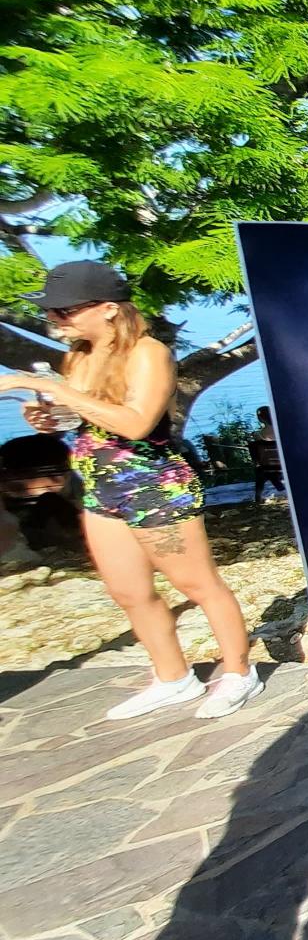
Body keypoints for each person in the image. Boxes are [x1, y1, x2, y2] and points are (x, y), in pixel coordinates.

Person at [2, 262, 262, 719]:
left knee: (198, 584)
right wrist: (50, 418)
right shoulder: (79, 356)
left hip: (155, 488)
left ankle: (239, 673)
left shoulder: (148, 353)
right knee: (129, 591)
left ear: (107, 309)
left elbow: (138, 422)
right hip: (101, 489)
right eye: (52, 312)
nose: (56, 320)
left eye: (64, 311)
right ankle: (172, 677)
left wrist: (48, 388)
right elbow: (86, 419)